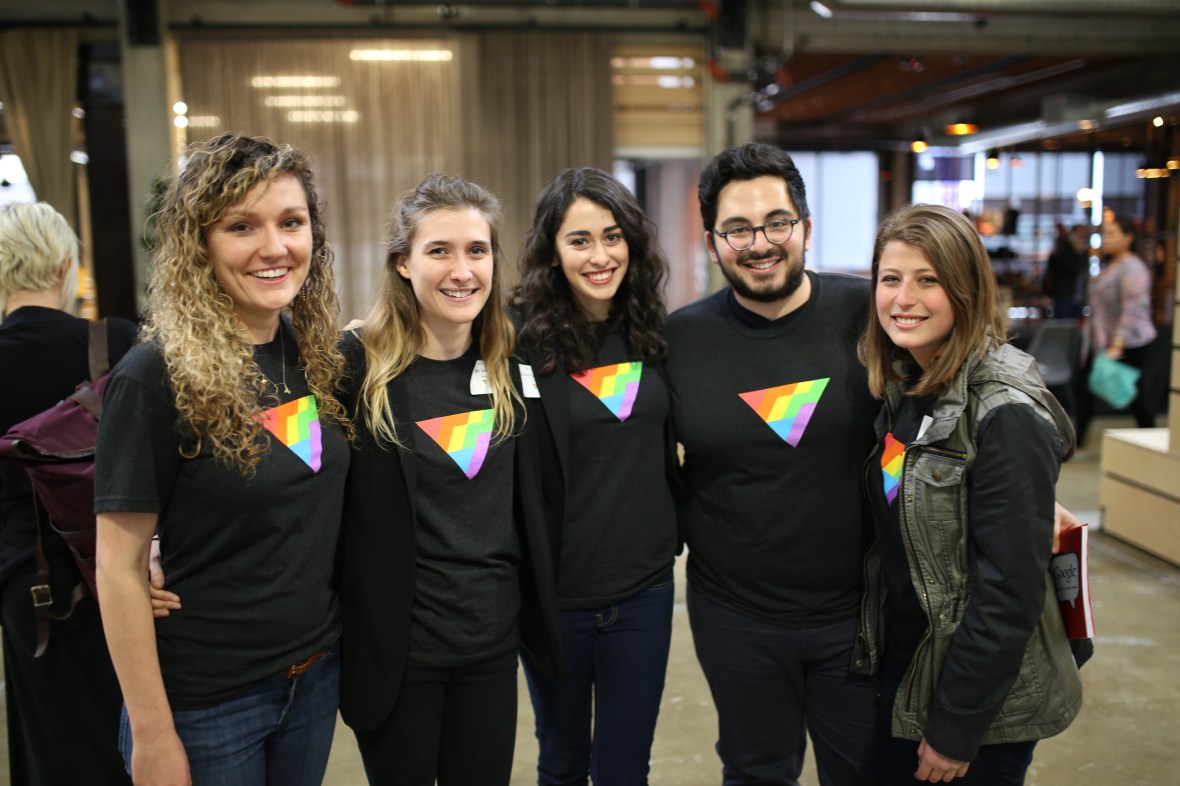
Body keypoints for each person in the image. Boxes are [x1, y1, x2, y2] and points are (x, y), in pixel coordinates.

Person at [94, 133, 353, 786]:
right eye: (242, 226)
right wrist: (152, 733)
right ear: (200, 244)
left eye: (291, 222)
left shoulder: (314, 354)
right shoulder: (153, 378)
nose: (274, 247)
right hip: (208, 702)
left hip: (312, 677)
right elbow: (119, 569)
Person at [665, 143, 880, 785]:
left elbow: (963, 392)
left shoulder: (872, 314)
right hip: (735, 614)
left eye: (777, 223)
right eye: (737, 229)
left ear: (806, 228)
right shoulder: (679, 340)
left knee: (866, 772)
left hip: (859, 611)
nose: (760, 244)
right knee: (755, 772)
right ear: (712, 244)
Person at [336, 173, 562, 786]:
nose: (462, 271)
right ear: (403, 262)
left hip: (490, 649)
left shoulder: (512, 361)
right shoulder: (354, 367)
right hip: (398, 654)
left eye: (477, 250)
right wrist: (160, 540)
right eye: (439, 250)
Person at [859, 203, 1082, 784]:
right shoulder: (910, 385)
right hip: (914, 664)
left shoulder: (1004, 412)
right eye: (890, 278)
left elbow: (1009, 594)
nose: (903, 298)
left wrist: (956, 728)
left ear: (965, 289)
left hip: (977, 700)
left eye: (928, 280)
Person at [512, 168, 680, 785]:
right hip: (556, 596)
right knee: (561, 759)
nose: (600, 256)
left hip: (643, 589)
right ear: (552, 251)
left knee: (625, 765)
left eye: (612, 236)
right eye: (579, 240)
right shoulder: (514, 339)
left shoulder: (649, 327)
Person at [0, 202, 137, 785]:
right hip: (121, 571)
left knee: (48, 743)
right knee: (131, 732)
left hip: (22, 580)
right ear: (64, 267)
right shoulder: (115, 342)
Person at [1075, 214, 1158, 445]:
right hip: (1101, 341)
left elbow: (1133, 309)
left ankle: (1151, 435)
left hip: (1129, 343)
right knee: (1085, 390)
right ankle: (1077, 440)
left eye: (1112, 234)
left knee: (1134, 395)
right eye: (1105, 234)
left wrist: (1117, 345)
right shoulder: (1111, 266)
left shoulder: (1133, 268)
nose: (1107, 239)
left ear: (1128, 238)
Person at [1042, 222, 1088, 319]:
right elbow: (1072, 268)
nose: (1082, 238)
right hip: (1064, 295)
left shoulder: (1082, 250)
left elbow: (1084, 269)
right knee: (1064, 323)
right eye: (1081, 235)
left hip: (1078, 296)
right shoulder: (1063, 248)